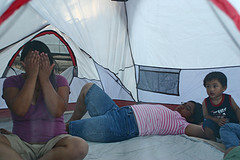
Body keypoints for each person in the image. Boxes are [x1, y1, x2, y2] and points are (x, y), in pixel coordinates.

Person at [0, 40, 88, 160]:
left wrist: (44, 79)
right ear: (23, 63)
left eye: (41, 61)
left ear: (50, 63)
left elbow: (57, 111)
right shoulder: (12, 82)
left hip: (54, 143)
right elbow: (19, 110)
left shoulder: (60, 81)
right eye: (33, 60)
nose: (37, 64)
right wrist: (32, 76)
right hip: (21, 143)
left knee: (80, 146)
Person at [66, 83, 205, 143]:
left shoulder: (182, 125)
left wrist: (212, 118)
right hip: (118, 111)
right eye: (183, 103)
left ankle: (57, 129)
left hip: (122, 126)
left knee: (70, 129)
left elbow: (204, 131)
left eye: (187, 108)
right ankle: (71, 120)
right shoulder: (171, 112)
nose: (181, 107)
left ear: (192, 118)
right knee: (88, 88)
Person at [202, 71, 240, 141]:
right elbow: (206, 115)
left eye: (215, 86)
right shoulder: (205, 102)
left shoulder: (228, 98)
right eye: (208, 86)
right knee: (206, 124)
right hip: (217, 125)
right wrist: (217, 120)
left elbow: (237, 109)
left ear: (224, 88)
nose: (211, 89)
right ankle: (214, 142)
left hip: (231, 125)